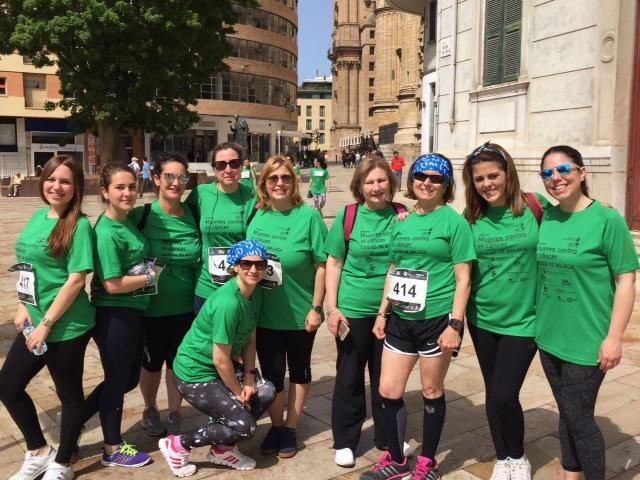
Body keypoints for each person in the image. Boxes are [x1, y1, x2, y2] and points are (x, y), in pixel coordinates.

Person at [361, 154, 476, 480]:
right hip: (400, 319)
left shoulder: (454, 223)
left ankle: (428, 462)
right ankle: (396, 460)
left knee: (431, 391)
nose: (426, 182)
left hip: (436, 320)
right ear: (411, 180)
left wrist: (456, 323)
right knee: (388, 390)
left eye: (435, 178)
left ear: (446, 185)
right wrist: (383, 312)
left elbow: (463, 278)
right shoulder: (403, 220)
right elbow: (394, 269)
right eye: (420, 176)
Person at [536, 145, 638, 480]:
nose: (556, 178)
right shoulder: (546, 216)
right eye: (548, 173)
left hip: (588, 340)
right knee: (567, 412)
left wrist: (613, 338)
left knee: (580, 419)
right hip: (549, 336)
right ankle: (571, 472)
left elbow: (626, 280)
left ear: (581, 172)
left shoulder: (607, 220)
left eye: (564, 169)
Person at [0, 155, 95, 480]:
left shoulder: (79, 225)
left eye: (66, 181)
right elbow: (28, 266)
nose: (57, 186)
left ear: (76, 187)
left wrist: (45, 324)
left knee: (68, 395)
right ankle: (39, 451)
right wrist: (24, 305)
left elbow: (76, 279)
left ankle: (63, 462)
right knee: (8, 387)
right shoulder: (38, 217)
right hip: (35, 322)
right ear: (44, 182)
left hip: (67, 325)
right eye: (52, 179)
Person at [462, 142, 551, 480]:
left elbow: (570, 218)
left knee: (504, 392)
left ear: (507, 173)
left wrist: (595, 207)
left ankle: (518, 455)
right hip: (483, 319)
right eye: (480, 179)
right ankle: (502, 457)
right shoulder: (470, 218)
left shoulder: (534, 205)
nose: (487, 184)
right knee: (493, 390)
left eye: (493, 175)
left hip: (525, 319)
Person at [157, 240, 277, 477]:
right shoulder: (227, 303)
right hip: (195, 372)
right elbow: (221, 359)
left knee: (266, 391)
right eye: (246, 264)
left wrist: (250, 377)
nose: (253, 270)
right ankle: (178, 444)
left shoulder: (255, 293)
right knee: (245, 426)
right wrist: (237, 392)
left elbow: (251, 338)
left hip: (219, 367)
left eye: (259, 264)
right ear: (234, 267)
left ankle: (222, 449)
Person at [324, 156, 407, 467]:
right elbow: (333, 263)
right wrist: (332, 308)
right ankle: (346, 439)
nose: (376, 187)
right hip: (354, 308)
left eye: (381, 180)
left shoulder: (402, 215)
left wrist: (408, 226)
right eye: (369, 181)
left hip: (392, 309)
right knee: (349, 375)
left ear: (391, 183)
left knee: (387, 376)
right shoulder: (348, 216)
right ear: (359, 186)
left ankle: (388, 437)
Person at [246, 156, 328, 459]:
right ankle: (277, 425)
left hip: (299, 314)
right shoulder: (257, 217)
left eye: (285, 178)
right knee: (271, 373)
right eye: (273, 179)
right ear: (264, 184)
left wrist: (316, 307)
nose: (279, 183)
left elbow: (322, 265)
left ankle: (291, 427)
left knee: (300, 371)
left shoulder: (308, 217)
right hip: (264, 314)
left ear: (295, 182)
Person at [84, 163, 154, 468]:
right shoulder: (108, 231)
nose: (127, 193)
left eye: (131, 186)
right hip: (115, 313)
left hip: (132, 312)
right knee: (117, 380)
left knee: (126, 379)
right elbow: (112, 285)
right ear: (105, 192)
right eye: (119, 187)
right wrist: (150, 278)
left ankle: (73, 419)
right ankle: (112, 448)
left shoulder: (127, 220)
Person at [130, 154, 201, 438]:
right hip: (150, 305)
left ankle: (174, 413)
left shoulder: (193, 215)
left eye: (181, 178)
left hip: (186, 304)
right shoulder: (142, 214)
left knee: (178, 361)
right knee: (151, 363)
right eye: (168, 177)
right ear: (156, 179)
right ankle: (149, 408)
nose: (175, 183)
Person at [185, 142, 256, 313]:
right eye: (221, 165)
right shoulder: (200, 193)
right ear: (214, 168)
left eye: (234, 163)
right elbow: (181, 219)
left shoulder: (254, 196)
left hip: (241, 286)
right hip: (206, 287)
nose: (228, 169)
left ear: (241, 165)